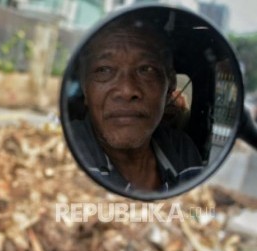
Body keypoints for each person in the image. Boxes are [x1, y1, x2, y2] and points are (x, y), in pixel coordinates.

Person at [71, 16, 203, 192]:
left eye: (146, 69)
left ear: (170, 84)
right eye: (104, 70)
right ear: (85, 87)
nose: (126, 90)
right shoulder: (65, 151)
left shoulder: (181, 150)